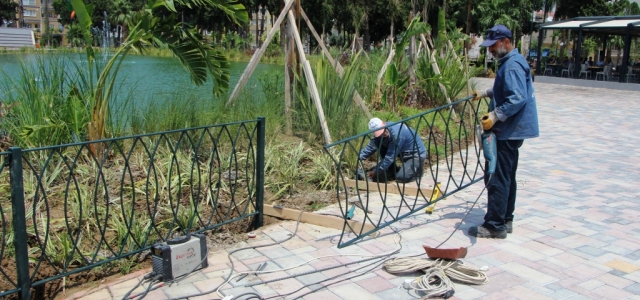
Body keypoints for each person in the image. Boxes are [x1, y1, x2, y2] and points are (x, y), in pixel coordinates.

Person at [472, 24, 539, 239]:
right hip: (514, 131)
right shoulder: (514, 62)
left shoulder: (511, 66)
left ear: (506, 41)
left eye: (493, 45)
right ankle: (506, 218)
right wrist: (486, 92)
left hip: (507, 130)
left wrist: (494, 115)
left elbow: (516, 98)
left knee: (498, 177)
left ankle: (494, 225)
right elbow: (506, 90)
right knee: (508, 175)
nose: (490, 50)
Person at [358, 118, 427, 183]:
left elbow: (389, 157)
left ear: (384, 123)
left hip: (415, 155)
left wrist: (376, 171)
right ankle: (391, 170)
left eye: (383, 131)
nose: (383, 134)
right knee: (379, 142)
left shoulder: (396, 134)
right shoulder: (380, 135)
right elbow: (371, 147)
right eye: (379, 133)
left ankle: (417, 170)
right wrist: (358, 159)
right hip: (402, 152)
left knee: (401, 177)